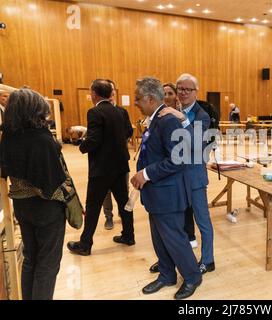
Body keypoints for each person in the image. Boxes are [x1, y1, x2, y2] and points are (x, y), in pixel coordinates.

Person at [131, 76, 202, 300]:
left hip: (168, 193)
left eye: (138, 98)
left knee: (174, 238)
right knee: (159, 237)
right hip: (156, 192)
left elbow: (178, 159)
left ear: (151, 99)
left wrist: (146, 173)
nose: (135, 102)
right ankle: (167, 274)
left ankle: (192, 277)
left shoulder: (168, 119)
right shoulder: (157, 117)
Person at [0, 89, 67, 299]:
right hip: (46, 208)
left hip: (22, 206)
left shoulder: (8, 136)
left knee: (30, 259)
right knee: (48, 264)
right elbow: (51, 182)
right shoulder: (42, 139)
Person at [155, 73, 215, 275]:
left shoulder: (202, 115)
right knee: (176, 223)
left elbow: (197, 145)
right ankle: (172, 260)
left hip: (194, 177)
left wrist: (183, 120)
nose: (183, 93)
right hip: (175, 176)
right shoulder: (170, 111)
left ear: (196, 92)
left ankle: (208, 259)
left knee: (202, 221)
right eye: (180, 88)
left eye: (188, 89)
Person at [67, 79, 134, 256]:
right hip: (120, 165)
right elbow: (129, 132)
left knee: (93, 205)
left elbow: (94, 139)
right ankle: (129, 235)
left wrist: (81, 145)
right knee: (124, 202)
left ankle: (85, 244)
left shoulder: (94, 112)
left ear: (94, 94)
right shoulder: (121, 111)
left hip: (102, 168)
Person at [162, 82, 198, 249]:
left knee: (185, 203)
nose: (167, 96)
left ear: (175, 95)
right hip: (166, 164)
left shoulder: (183, 113)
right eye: (164, 94)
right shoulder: (159, 114)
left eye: (170, 93)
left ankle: (189, 235)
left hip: (183, 163)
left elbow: (193, 140)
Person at [101, 79, 133, 230]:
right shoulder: (98, 111)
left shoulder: (122, 111)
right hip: (104, 161)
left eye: (112, 89)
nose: (111, 92)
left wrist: (119, 139)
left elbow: (129, 131)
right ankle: (108, 216)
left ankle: (124, 214)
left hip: (120, 158)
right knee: (105, 191)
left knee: (123, 190)